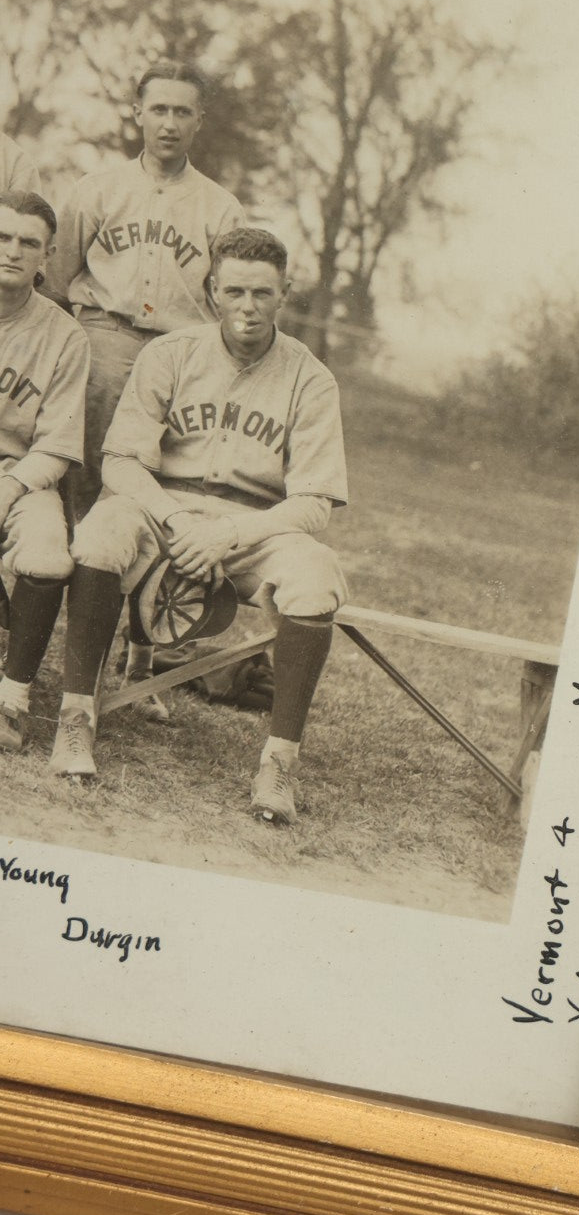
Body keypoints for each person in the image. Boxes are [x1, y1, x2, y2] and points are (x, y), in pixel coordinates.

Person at [50, 227, 348, 827]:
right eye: (234, 291)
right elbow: (122, 461)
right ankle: (76, 716)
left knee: (317, 575)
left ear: (284, 294)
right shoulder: (172, 353)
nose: (247, 306)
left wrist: (231, 536)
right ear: (212, 290)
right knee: (100, 536)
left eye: (262, 293)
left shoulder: (310, 378)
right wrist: (179, 518)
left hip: (256, 524)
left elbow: (315, 500)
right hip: (165, 505)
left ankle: (279, 760)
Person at [48, 60, 245, 520]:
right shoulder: (97, 191)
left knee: (159, 478)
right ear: (137, 112)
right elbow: (56, 285)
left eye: (182, 112)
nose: (169, 124)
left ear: (200, 120)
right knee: (83, 471)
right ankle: (74, 581)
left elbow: (230, 305)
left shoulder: (221, 208)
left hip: (180, 354)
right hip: (102, 344)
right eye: (159, 110)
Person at [0, 190, 89, 750]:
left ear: (47, 256)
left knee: (48, 555)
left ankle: (12, 696)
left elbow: (57, 447)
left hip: (22, 472)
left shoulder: (64, 335)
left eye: (27, 242)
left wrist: (7, 489)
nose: (12, 251)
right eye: (2, 238)